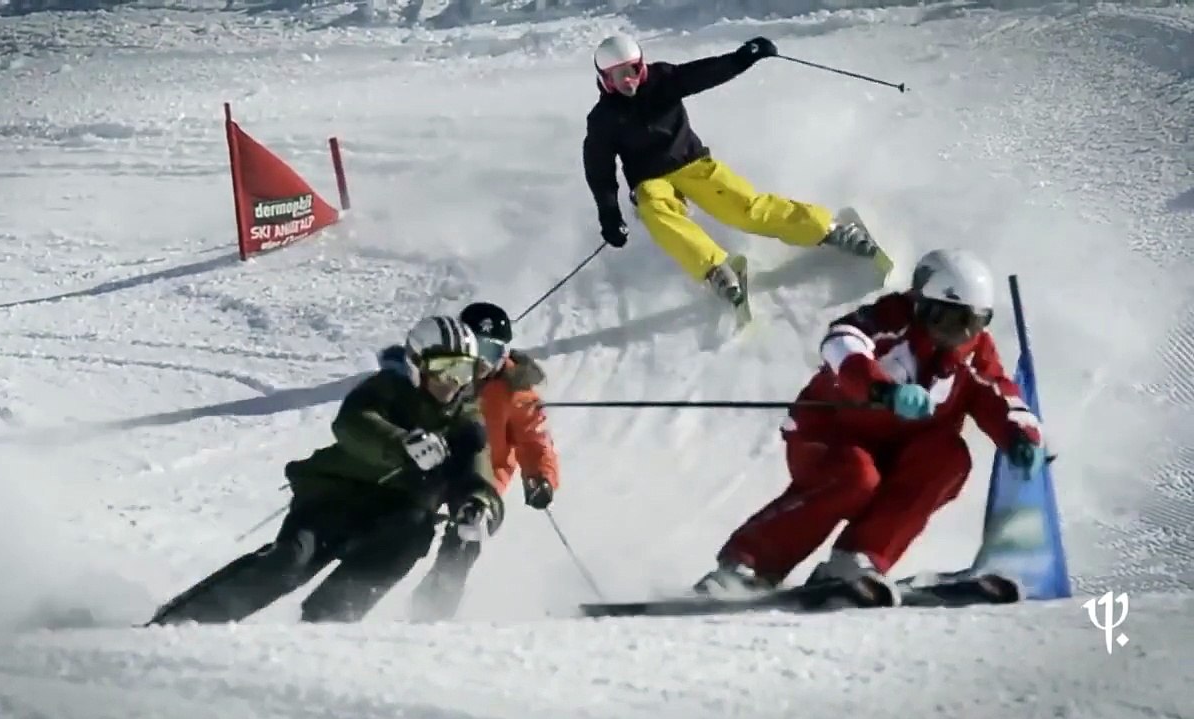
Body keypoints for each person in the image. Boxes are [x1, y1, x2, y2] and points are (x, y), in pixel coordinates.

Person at [693, 248, 1048, 600]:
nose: (957, 334)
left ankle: (855, 560)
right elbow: (842, 342)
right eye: (946, 319)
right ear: (921, 304)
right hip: (830, 436)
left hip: (902, 449)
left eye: (971, 323)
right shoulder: (890, 320)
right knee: (855, 477)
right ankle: (750, 565)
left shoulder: (972, 349)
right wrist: (880, 388)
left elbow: (999, 393)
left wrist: (1021, 435)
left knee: (949, 459)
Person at [145, 315, 505, 626]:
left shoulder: (465, 420)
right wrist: (401, 443)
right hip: (337, 496)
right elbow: (353, 423)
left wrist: (477, 503)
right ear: (416, 364)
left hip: (400, 514)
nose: (451, 382)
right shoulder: (387, 390)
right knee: (290, 562)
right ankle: (182, 620)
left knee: (404, 541)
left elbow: (477, 467)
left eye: (462, 371)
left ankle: (326, 625)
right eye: (442, 369)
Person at [582, 33, 880, 308]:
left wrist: (742, 58)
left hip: (693, 163)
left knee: (744, 209)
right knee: (653, 207)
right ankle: (713, 269)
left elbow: (703, 74)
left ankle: (826, 229)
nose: (629, 80)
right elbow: (600, 170)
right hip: (651, 180)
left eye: (633, 69)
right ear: (605, 79)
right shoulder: (602, 120)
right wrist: (609, 215)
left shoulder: (662, 79)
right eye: (619, 75)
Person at [408, 301, 562, 621]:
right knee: (406, 525)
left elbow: (534, 439)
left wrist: (540, 478)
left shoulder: (515, 390)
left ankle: (432, 610)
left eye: (493, 353)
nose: (483, 363)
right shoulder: (446, 372)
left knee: (467, 535)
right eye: (478, 351)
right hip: (435, 465)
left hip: (485, 476)